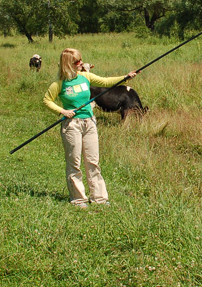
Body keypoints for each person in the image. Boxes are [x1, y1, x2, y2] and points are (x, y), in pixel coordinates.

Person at [43, 48, 137, 208]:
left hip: (90, 123)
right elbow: (47, 100)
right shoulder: (59, 83)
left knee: (93, 161)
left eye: (81, 60)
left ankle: (99, 198)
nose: (81, 63)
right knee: (74, 162)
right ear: (68, 64)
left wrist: (125, 77)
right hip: (72, 125)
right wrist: (63, 111)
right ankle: (78, 199)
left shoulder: (85, 77)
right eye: (77, 61)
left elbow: (106, 82)